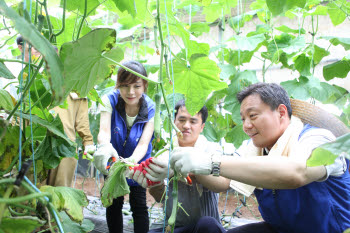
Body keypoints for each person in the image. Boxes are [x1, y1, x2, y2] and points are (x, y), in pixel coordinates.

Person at [170, 83, 350, 233]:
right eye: (243, 119)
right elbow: (224, 181)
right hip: (280, 229)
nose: (246, 126)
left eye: (253, 116)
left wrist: (210, 162)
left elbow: (296, 172)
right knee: (206, 227)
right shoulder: (253, 148)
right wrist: (191, 165)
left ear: (281, 112)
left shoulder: (317, 139)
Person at [131, 100, 227, 233]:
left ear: (202, 127)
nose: (186, 125)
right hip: (175, 227)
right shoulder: (164, 153)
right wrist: (155, 182)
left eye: (193, 121)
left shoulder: (211, 150)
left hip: (204, 228)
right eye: (181, 120)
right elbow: (159, 197)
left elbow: (220, 185)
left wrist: (181, 169)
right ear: (174, 122)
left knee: (208, 223)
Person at [93, 61, 155, 233]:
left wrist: (131, 161)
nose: (131, 92)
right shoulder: (108, 100)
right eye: (125, 86)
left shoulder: (150, 107)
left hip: (138, 162)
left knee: (139, 205)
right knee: (113, 204)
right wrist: (106, 148)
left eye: (137, 86)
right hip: (113, 160)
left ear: (144, 86)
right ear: (118, 85)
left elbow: (144, 142)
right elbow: (104, 131)